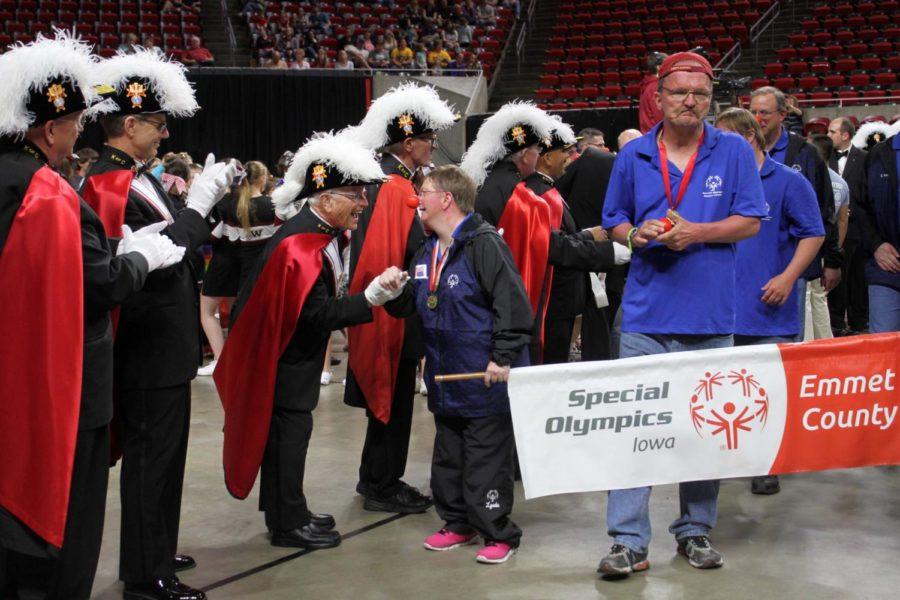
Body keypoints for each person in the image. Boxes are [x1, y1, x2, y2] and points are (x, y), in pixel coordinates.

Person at [0, 33, 182, 600]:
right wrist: (138, 255)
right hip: (64, 380)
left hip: (14, 372)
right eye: (76, 121)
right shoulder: (44, 191)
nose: (81, 131)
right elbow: (94, 286)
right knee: (66, 530)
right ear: (50, 128)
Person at [599, 52, 766, 577]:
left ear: (710, 98)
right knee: (636, 430)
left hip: (711, 317)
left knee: (704, 433)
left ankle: (694, 531)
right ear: (659, 96)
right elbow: (613, 221)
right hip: (645, 316)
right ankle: (629, 540)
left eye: (700, 93)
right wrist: (637, 233)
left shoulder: (733, 150)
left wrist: (697, 232)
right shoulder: (633, 156)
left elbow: (750, 221)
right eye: (679, 92)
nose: (690, 101)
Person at [82, 49, 236, 600]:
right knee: (151, 460)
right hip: (146, 346)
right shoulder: (107, 183)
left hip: (164, 343)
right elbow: (162, 251)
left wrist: (202, 216)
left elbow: (178, 252)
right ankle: (146, 577)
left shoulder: (135, 178)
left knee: (165, 459)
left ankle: (156, 546)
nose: (165, 134)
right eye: (157, 122)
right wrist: (197, 208)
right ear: (129, 123)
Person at [213, 133, 403, 550]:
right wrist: (369, 300)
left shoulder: (316, 234)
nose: (364, 204)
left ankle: (290, 510)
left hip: (289, 359)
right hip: (286, 363)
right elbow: (314, 315)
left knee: (290, 440)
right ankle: (286, 524)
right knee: (288, 441)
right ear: (327, 198)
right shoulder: (301, 245)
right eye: (356, 195)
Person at [384, 165, 533, 565]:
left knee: (486, 458)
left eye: (424, 193)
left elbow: (513, 307)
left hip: (482, 377)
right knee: (448, 455)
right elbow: (415, 302)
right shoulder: (427, 249)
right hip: (444, 378)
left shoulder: (485, 245)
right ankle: (458, 522)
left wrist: (502, 357)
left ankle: (498, 531)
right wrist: (388, 293)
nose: (417, 201)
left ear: (446, 199)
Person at [342, 83, 458, 513]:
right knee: (394, 400)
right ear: (409, 142)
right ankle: (382, 484)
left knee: (393, 401)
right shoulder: (392, 186)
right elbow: (403, 252)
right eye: (429, 140)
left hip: (386, 307)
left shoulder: (384, 180)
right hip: (393, 310)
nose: (432, 148)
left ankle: (374, 477)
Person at [716, 108, 825, 496]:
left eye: (724, 138)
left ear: (748, 138)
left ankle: (766, 463)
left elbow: (813, 234)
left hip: (768, 306)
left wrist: (788, 276)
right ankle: (730, 457)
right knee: (725, 391)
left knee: (765, 392)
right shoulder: (720, 183)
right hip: (722, 309)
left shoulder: (787, 181)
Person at [463, 102, 613, 365]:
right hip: (518, 300)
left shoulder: (498, 184)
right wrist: (604, 250)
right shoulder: (520, 194)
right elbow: (547, 246)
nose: (539, 154)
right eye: (536, 149)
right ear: (524, 153)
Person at [522, 124, 628, 364]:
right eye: (566, 153)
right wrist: (606, 252)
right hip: (552, 299)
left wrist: (587, 235)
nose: (572, 158)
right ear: (548, 158)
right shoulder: (541, 195)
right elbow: (554, 247)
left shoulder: (548, 190)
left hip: (559, 298)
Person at [749, 87, 842, 342]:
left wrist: (832, 260)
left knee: (789, 342)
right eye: (753, 112)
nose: (758, 118)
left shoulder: (804, 153)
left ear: (782, 114)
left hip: (792, 266)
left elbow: (825, 209)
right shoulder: (740, 152)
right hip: (747, 264)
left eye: (765, 112)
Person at [554, 132, 624, 360]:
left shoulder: (592, 163)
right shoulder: (599, 163)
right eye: (565, 152)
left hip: (588, 256)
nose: (568, 157)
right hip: (594, 254)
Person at [826, 116, 869, 335]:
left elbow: (869, 192)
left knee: (857, 278)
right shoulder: (823, 157)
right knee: (834, 278)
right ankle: (836, 324)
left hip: (859, 230)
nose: (828, 136)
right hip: (834, 229)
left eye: (832, 132)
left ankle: (859, 323)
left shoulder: (865, 158)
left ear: (845, 135)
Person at [856, 129, 900, 332]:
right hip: (886, 266)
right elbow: (860, 207)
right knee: (883, 344)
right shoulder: (879, 154)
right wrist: (876, 245)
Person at [638, 52, 665, 133]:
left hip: (650, 134)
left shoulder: (648, 85)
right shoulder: (656, 87)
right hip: (657, 137)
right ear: (659, 67)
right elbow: (659, 115)